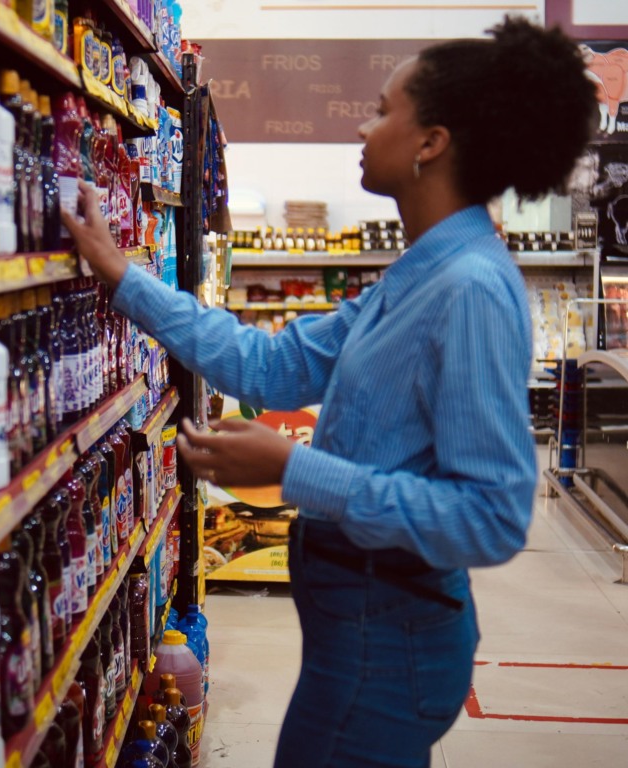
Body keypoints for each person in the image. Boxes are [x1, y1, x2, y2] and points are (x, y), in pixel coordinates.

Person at [63, 16, 596, 768]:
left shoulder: (470, 288)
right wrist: (123, 276)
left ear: (430, 143)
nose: (362, 125)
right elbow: (270, 366)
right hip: (361, 636)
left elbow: (492, 515)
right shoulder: (415, 277)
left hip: (389, 647)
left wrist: (290, 469)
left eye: (382, 110)